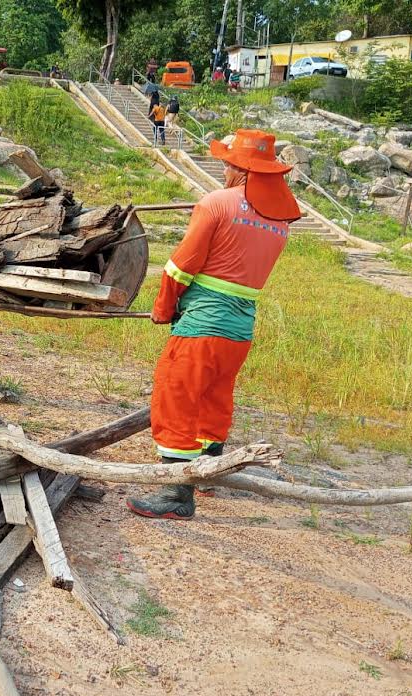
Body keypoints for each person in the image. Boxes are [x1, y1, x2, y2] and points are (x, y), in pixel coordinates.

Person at [127, 130, 302, 520]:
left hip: (202, 325)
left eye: (227, 164)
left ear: (242, 170)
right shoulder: (279, 222)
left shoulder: (217, 204)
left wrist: (163, 307)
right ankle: (210, 468)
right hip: (239, 332)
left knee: (175, 396)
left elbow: (180, 266)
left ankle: (176, 490)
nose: (223, 170)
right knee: (214, 396)